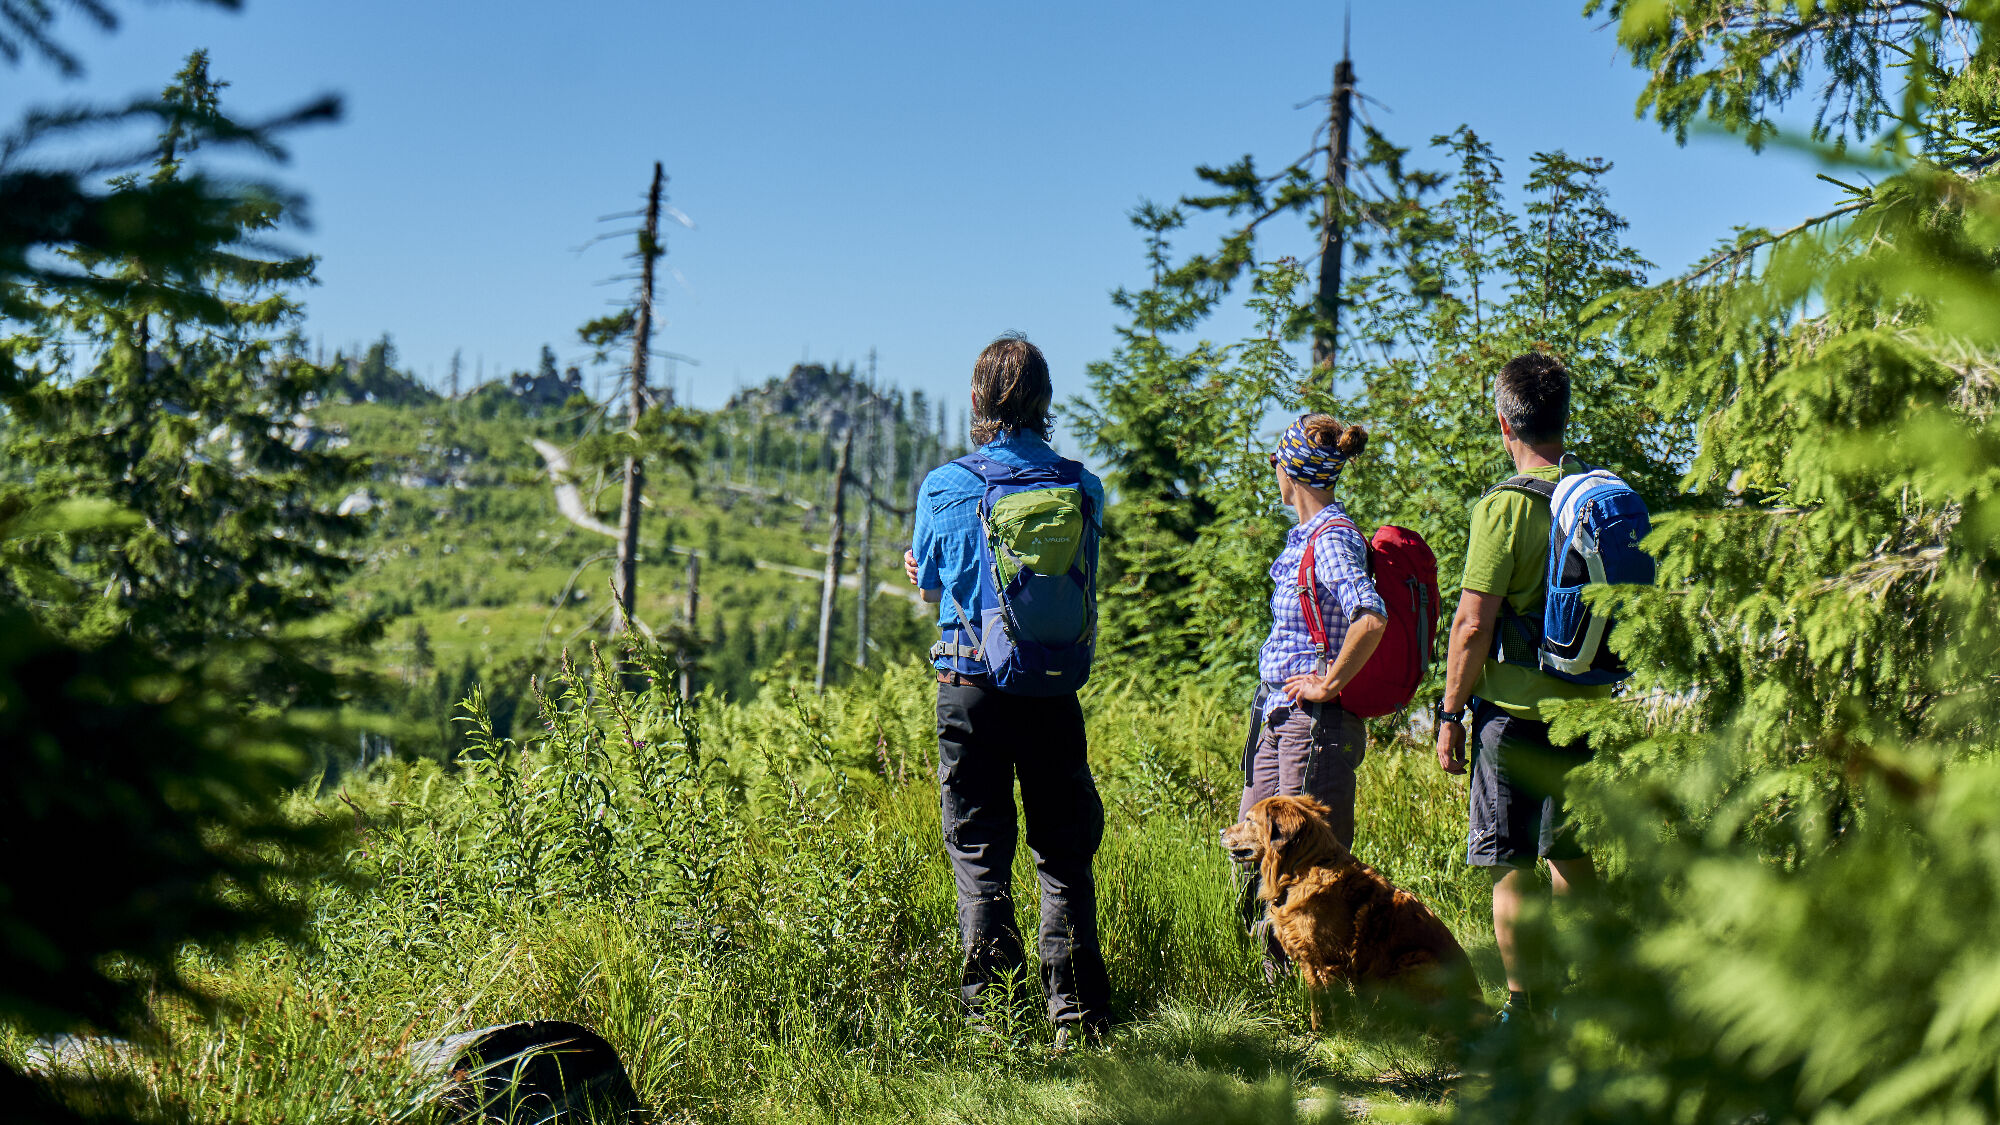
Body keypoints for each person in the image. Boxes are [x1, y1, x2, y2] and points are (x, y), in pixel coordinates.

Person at [903, 332, 1109, 1046]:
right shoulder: (1083, 487)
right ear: (1046, 402)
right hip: (1052, 687)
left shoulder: (947, 485)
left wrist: (921, 571)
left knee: (980, 846)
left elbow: (933, 582)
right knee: (1062, 845)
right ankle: (1076, 1014)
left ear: (977, 400)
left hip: (970, 686)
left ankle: (994, 1017)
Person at [1433, 351, 1612, 1025]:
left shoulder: (1503, 508)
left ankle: (1524, 1008)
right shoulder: (1592, 502)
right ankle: (1592, 997)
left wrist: (1451, 711)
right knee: (1571, 853)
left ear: (1503, 424)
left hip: (1511, 713)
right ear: (1563, 420)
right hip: (1585, 706)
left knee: (1511, 864)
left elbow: (1473, 623)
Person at [1238, 413, 1386, 848]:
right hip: (1279, 715)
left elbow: (1370, 615)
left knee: (1306, 862)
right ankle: (1255, 922)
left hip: (1313, 725)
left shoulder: (1331, 538)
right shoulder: (1306, 536)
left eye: (1275, 462)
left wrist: (1329, 684)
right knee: (1253, 850)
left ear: (1291, 470)